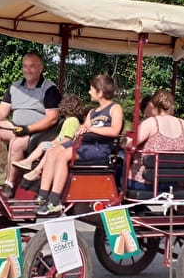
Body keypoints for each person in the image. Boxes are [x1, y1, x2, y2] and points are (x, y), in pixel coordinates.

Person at [34, 74, 124, 215]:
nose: (89, 92)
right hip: (85, 144)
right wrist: (81, 130)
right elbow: (84, 127)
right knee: (52, 151)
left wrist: (90, 129)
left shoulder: (115, 108)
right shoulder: (92, 112)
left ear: (100, 92)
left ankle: (54, 200)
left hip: (99, 148)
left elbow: (114, 131)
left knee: (63, 156)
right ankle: (43, 195)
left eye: (91, 89)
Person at [0, 51, 61, 198]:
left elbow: (52, 118)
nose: (27, 70)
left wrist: (28, 129)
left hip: (39, 133)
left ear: (41, 68)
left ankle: (9, 185)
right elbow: (2, 110)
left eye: (32, 67)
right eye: (25, 66)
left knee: (16, 143)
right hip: (17, 127)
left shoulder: (49, 89)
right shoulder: (14, 87)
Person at [128, 89, 184, 190]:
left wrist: (125, 143)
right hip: (172, 183)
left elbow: (130, 145)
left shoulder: (151, 123)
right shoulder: (183, 124)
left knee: (117, 175)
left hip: (146, 183)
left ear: (153, 105)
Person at [11, 95, 86, 181]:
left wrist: (55, 144)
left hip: (65, 146)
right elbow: (60, 137)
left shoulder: (72, 121)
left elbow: (68, 139)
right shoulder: (67, 121)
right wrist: (54, 142)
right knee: (43, 144)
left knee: (50, 150)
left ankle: (37, 171)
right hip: (60, 144)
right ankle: (28, 161)